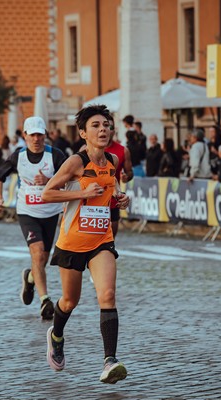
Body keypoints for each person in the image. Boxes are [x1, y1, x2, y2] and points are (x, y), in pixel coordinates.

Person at [42, 104, 130, 384]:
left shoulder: (112, 162)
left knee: (108, 295)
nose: (103, 129)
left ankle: (109, 361)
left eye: (106, 124)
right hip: (71, 243)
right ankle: (56, 336)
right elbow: (47, 193)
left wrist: (120, 197)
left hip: (101, 240)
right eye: (96, 125)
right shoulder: (76, 163)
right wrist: (81, 192)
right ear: (82, 133)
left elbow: (111, 188)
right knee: (70, 301)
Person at [0, 116, 67, 320]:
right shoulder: (18, 157)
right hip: (27, 212)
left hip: (51, 212)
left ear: (45, 135)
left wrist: (50, 180)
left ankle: (30, 278)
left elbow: (72, 179)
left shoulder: (56, 155)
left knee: (43, 257)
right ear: (25, 136)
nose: (36, 139)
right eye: (32, 135)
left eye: (40, 135)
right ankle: (45, 300)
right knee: (36, 253)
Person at [105, 114, 133, 237]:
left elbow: (130, 172)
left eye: (110, 127)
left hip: (113, 200)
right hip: (92, 200)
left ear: (114, 130)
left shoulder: (123, 151)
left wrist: (127, 177)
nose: (106, 130)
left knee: (111, 239)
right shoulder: (86, 150)